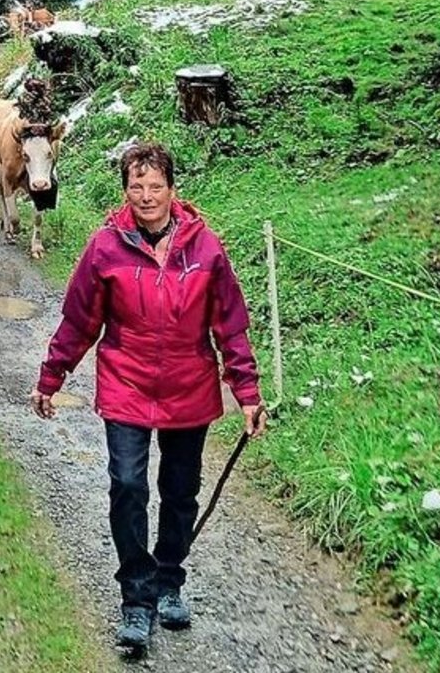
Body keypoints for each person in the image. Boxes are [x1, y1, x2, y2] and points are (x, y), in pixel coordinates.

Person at [30, 142, 266, 655]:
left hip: (189, 385)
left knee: (180, 491)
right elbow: (79, 321)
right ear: (125, 190)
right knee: (127, 484)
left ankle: (170, 580)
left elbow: (231, 325)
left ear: (172, 189)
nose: (145, 196)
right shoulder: (105, 247)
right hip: (127, 381)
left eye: (154, 186)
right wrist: (52, 376)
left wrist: (247, 391)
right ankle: (137, 597)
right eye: (136, 186)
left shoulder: (206, 249)